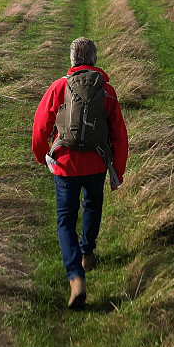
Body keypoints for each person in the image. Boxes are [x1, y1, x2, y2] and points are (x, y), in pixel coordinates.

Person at [32, 37, 128, 310]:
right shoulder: (107, 91)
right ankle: (87, 253)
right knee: (93, 205)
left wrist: (42, 156)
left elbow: (40, 127)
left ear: (72, 60)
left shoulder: (58, 87)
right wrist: (117, 172)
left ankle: (75, 278)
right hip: (96, 164)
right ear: (94, 60)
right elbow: (119, 136)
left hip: (65, 165)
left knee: (65, 220)